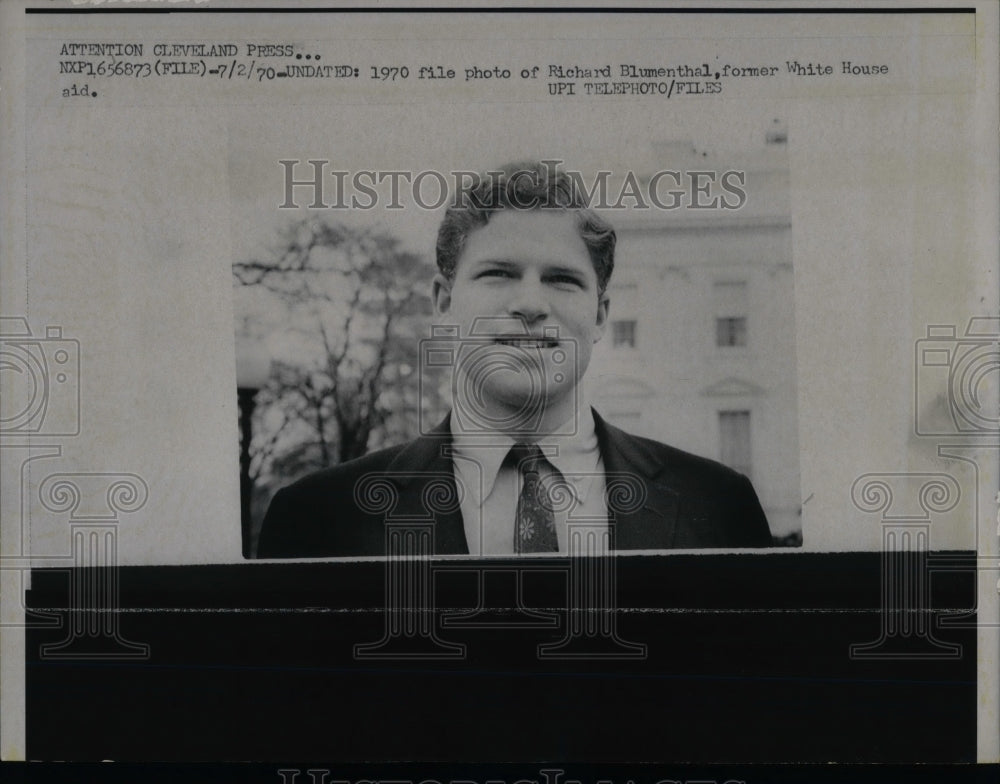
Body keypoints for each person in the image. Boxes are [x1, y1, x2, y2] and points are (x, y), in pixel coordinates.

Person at [257, 162, 772, 557]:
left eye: (562, 279)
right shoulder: (317, 519)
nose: (530, 303)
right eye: (499, 273)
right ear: (443, 303)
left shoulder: (720, 506)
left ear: (599, 315)